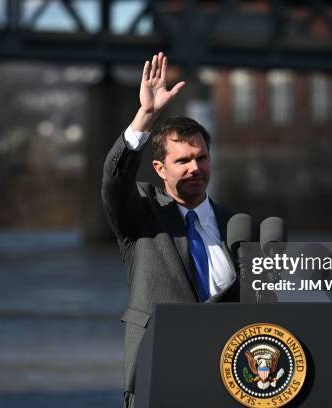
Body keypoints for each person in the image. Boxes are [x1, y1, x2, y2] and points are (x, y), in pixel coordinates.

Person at [101, 52, 239, 408]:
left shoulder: (238, 226)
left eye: (202, 158)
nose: (195, 168)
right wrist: (145, 117)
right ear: (160, 168)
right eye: (183, 161)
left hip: (228, 380)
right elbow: (115, 181)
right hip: (157, 376)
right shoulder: (142, 215)